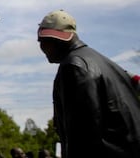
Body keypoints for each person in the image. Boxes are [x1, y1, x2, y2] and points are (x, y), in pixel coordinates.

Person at [37, 9, 140, 157]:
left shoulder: (73, 66)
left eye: (47, 41)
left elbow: (83, 133)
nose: (44, 47)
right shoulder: (107, 64)